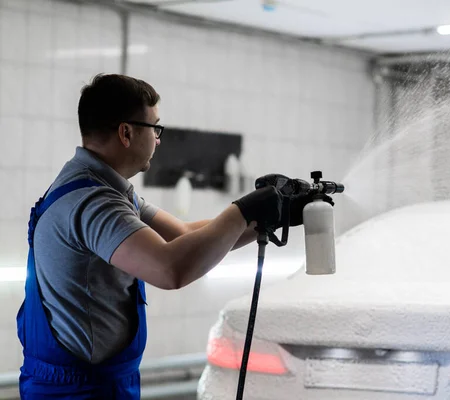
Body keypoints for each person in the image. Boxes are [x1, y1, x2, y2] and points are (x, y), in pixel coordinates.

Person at [16, 73, 295, 399]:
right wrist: (242, 210)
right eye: (155, 128)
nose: (159, 139)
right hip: (78, 390)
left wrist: (271, 217)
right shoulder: (94, 202)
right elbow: (170, 268)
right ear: (126, 132)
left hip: (99, 383)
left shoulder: (104, 188)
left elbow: (188, 234)